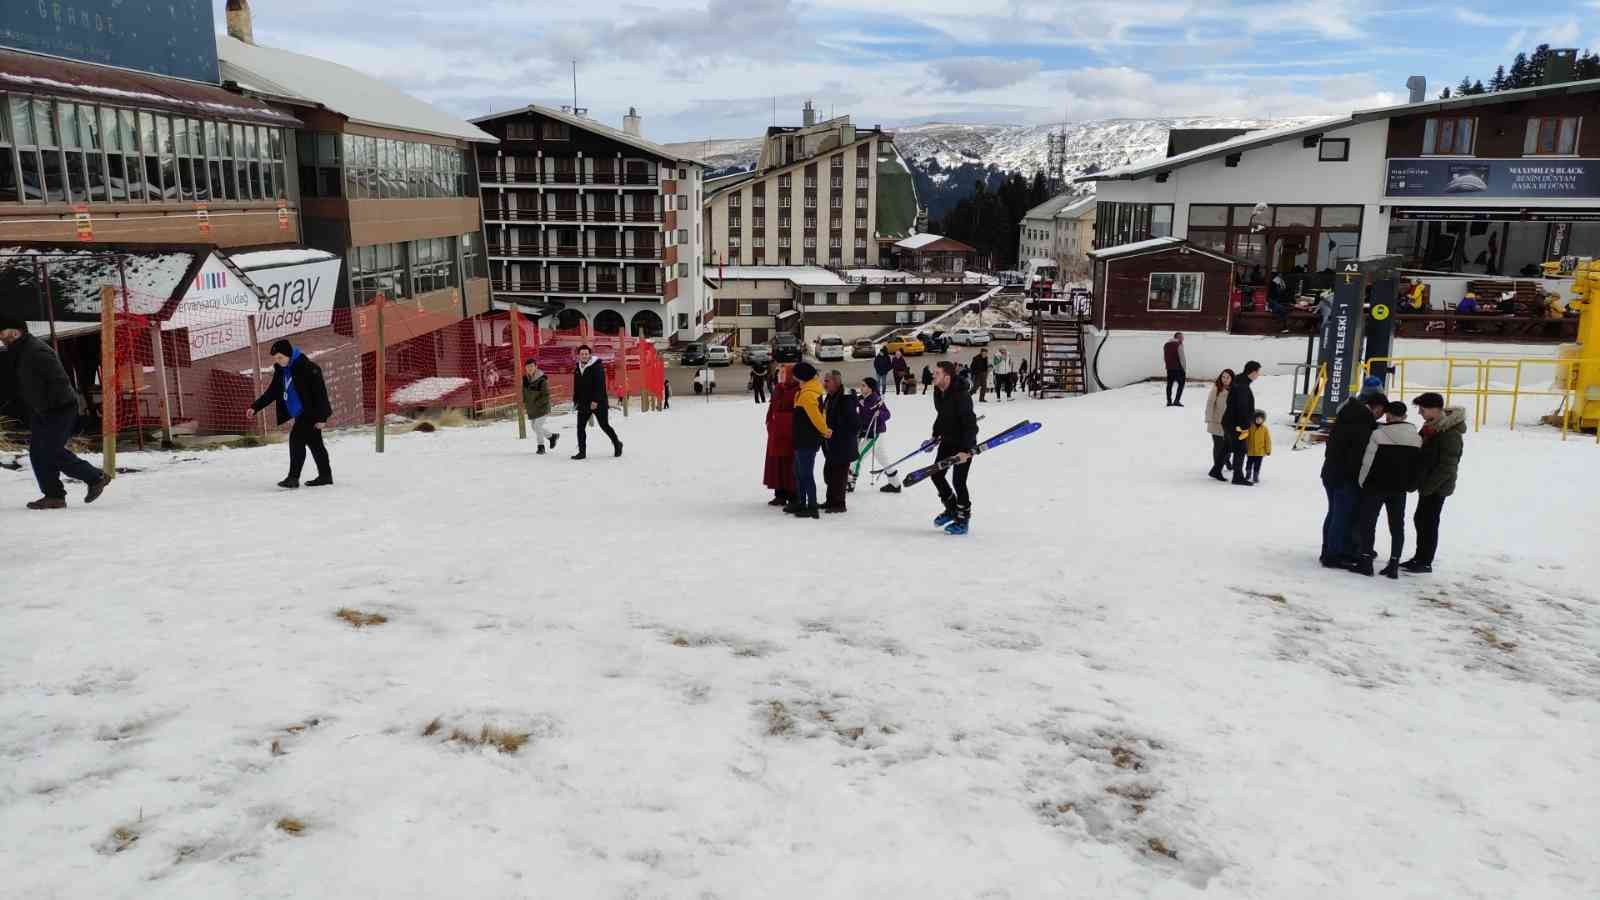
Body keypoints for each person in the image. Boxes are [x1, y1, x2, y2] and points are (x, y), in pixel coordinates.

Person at [0, 315, 111, 508]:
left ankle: (95, 477)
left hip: (59, 408)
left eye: (2, 332)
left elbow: (59, 380)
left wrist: (52, 406)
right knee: (37, 453)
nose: (0, 337)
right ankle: (54, 496)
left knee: (50, 451)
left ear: (15, 331)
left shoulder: (36, 350)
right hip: (42, 409)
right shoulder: (19, 350)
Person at [248, 339, 334, 489]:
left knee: (296, 440)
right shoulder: (281, 370)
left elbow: (321, 394)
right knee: (315, 444)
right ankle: (325, 476)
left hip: (311, 413)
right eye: (275, 358)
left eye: (280, 357)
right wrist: (255, 407)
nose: (278, 361)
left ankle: (293, 478)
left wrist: (322, 418)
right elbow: (272, 392)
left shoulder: (308, 368)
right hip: (300, 413)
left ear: (289, 355)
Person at [1319, 382, 1387, 567]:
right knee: (1341, 515)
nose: (1381, 416)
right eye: (1382, 412)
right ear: (1377, 407)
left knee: (1334, 513)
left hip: (1331, 472)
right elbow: (1357, 454)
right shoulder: (1362, 421)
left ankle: (1329, 550)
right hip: (1345, 476)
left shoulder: (1348, 413)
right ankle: (1334, 555)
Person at [1353, 401, 1422, 578]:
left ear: (1387, 415)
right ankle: (1393, 563)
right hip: (1399, 489)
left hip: (1375, 486)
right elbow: (1417, 466)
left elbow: (1367, 462)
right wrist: (1411, 485)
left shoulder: (1378, 434)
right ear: (1405, 417)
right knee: (1397, 525)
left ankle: (1366, 561)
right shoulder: (1416, 438)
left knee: (1368, 523)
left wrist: (1362, 482)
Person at [1403, 393, 1465, 574]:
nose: (1420, 412)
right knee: (1421, 519)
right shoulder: (1431, 428)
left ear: (1435, 409)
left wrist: (1428, 487)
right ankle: (1419, 557)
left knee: (1428, 522)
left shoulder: (1450, 433)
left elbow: (1447, 466)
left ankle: (1425, 561)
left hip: (1437, 486)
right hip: (1428, 484)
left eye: (1423, 409)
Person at [929, 361, 979, 535]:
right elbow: (941, 417)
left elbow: (971, 425)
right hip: (948, 441)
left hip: (963, 443)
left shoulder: (962, 396)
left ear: (947, 377)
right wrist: (935, 436)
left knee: (959, 481)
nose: (933, 376)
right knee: (936, 475)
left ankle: (963, 519)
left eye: (937, 373)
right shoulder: (938, 392)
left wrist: (966, 450)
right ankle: (951, 509)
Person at [788, 362, 830, 519]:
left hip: (807, 440)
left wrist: (825, 430)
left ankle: (812, 506)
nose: (793, 377)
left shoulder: (807, 394)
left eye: (795, 374)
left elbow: (817, 417)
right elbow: (822, 412)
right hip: (801, 439)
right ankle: (801, 502)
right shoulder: (805, 391)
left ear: (802, 377)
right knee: (798, 472)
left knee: (806, 474)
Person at [570, 344, 622, 460]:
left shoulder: (597, 366)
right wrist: (575, 400)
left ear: (590, 355)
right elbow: (576, 386)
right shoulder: (577, 368)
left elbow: (600, 385)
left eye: (586, 354)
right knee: (580, 427)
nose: (584, 356)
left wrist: (595, 400)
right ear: (579, 355)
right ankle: (582, 452)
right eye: (582, 354)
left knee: (604, 425)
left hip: (598, 402)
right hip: (583, 402)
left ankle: (617, 443)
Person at [820, 371, 859, 513]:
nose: (824, 384)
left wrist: (840, 433)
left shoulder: (845, 398)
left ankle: (839, 504)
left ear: (836, 382)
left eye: (827, 381)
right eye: (824, 381)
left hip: (842, 445)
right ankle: (830, 500)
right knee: (829, 473)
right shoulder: (830, 397)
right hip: (831, 444)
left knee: (839, 476)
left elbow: (855, 423)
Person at [856, 377, 902, 493]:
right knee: (883, 459)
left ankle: (849, 482)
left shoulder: (876, 399)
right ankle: (895, 484)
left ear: (870, 388)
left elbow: (887, 414)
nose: (861, 388)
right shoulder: (861, 399)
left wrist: (879, 413)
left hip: (874, 433)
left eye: (863, 386)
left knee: (857, 456)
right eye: (861, 385)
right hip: (866, 432)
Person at [1220, 361, 1260, 485]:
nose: (1258, 375)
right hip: (1236, 424)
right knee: (1240, 450)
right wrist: (1244, 426)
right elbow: (1242, 408)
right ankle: (1238, 477)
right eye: (1257, 372)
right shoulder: (1243, 385)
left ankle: (1216, 470)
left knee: (1227, 447)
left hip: (1229, 421)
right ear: (1252, 372)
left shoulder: (1239, 380)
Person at [763, 365, 798, 507]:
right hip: (776, 434)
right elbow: (772, 408)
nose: (781, 375)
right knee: (777, 463)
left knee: (790, 464)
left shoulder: (797, 389)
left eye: (784, 373)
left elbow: (797, 413)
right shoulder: (778, 388)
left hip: (789, 435)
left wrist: (780, 418)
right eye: (780, 373)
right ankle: (780, 494)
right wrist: (770, 422)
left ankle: (792, 494)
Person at [521, 358, 559, 455]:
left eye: (532, 366)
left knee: (537, 426)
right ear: (525, 368)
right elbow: (524, 393)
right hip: (532, 408)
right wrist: (524, 403)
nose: (530, 368)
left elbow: (546, 395)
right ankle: (551, 436)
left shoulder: (542, 380)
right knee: (534, 427)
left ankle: (541, 447)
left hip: (542, 407)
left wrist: (537, 404)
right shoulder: (525, 379)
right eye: (528, 367)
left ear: (536, 367)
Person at [1204, 369, 1235, 479]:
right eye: (1223, 377)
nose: (1225, 380)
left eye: (1227, 377)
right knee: (1218, 446)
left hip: (1230, 423)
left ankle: (1226, 460)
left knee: (1229, 445)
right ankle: (1218, 468)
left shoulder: (1235, 389)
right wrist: (1208, 418)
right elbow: (1210, 404)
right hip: (1216, 422)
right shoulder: (1216, 388)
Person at [1244, 410, 1271, 484]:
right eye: (1257, 419)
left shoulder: (1265, 429)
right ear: (1254, 419)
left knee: (1257, 464)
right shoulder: (1250, 427)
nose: (1259, 420)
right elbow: (1246, 438)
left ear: (1263, 419)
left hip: (1260, 451)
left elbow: (1267, 440)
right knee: (1249, 463)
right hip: (1250, 450)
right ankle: (1248, 474)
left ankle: (1255, 475)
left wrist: (1268, 450)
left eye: (1260, 419)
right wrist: (1245, 448)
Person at [1163, 332, 1187, 407]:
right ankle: (1176, 400)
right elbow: (1182, 358)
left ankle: (1169, 401)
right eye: (1182, 337)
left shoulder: (1166, 345)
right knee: (1181, 384)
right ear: (1178, 337)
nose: (1183, 339)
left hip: (1169, 368)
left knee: (1169, 385)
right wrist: (1184, 369)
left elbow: (1165, 357)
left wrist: (1167, 365)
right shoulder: (1178, 345)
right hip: (1178, 369)